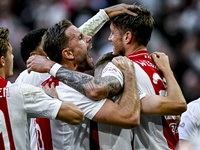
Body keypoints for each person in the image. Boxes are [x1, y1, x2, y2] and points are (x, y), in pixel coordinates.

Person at [27, 4, 187, 150]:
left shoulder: (118, 66)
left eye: (112, 33)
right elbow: (177, 104)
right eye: (82, 38)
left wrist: (104, 14)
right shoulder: (157, 64)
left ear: (127, 37)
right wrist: (167, 70)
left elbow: (67, 46)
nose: (106, 38)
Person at [0, 27, 84, 150]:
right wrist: (53, 99)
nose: (12, 57)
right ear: (2, 61)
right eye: (11, 53)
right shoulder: (20, 90)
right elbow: (77, 115)